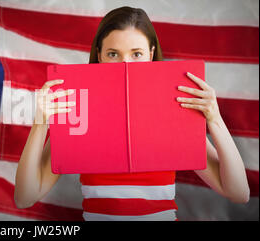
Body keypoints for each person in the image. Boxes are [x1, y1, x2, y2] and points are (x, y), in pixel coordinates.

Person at [14, 6, 250, 221]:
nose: (125, 65)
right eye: (113, 54)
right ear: (99, 55)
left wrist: (215, 119)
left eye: (136, 54)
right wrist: (40, 122)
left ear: (151, 53)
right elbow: (24, 197)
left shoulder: (173, 111)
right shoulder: (78, 113)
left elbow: (238, 192)